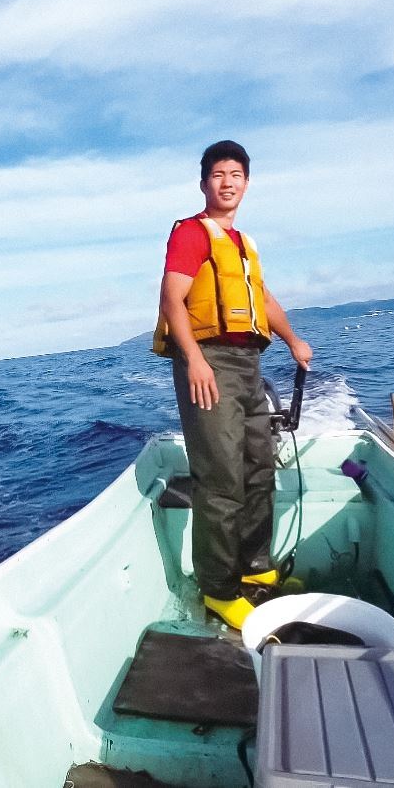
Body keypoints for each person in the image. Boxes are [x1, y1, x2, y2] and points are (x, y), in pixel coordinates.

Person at [153, 140, 313, 630]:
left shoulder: (243, 244)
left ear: (246, 183)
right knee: (222, 479)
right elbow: (171, 300)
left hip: (249, 364)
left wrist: (291, 339)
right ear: (204, 183)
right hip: (210, 362)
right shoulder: (191, 234)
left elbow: (262, 301)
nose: (227, 182)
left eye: (236, 174)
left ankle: (255, 567)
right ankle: (219, 590)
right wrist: (195, 360)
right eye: (218, 174)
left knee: (259, 469)